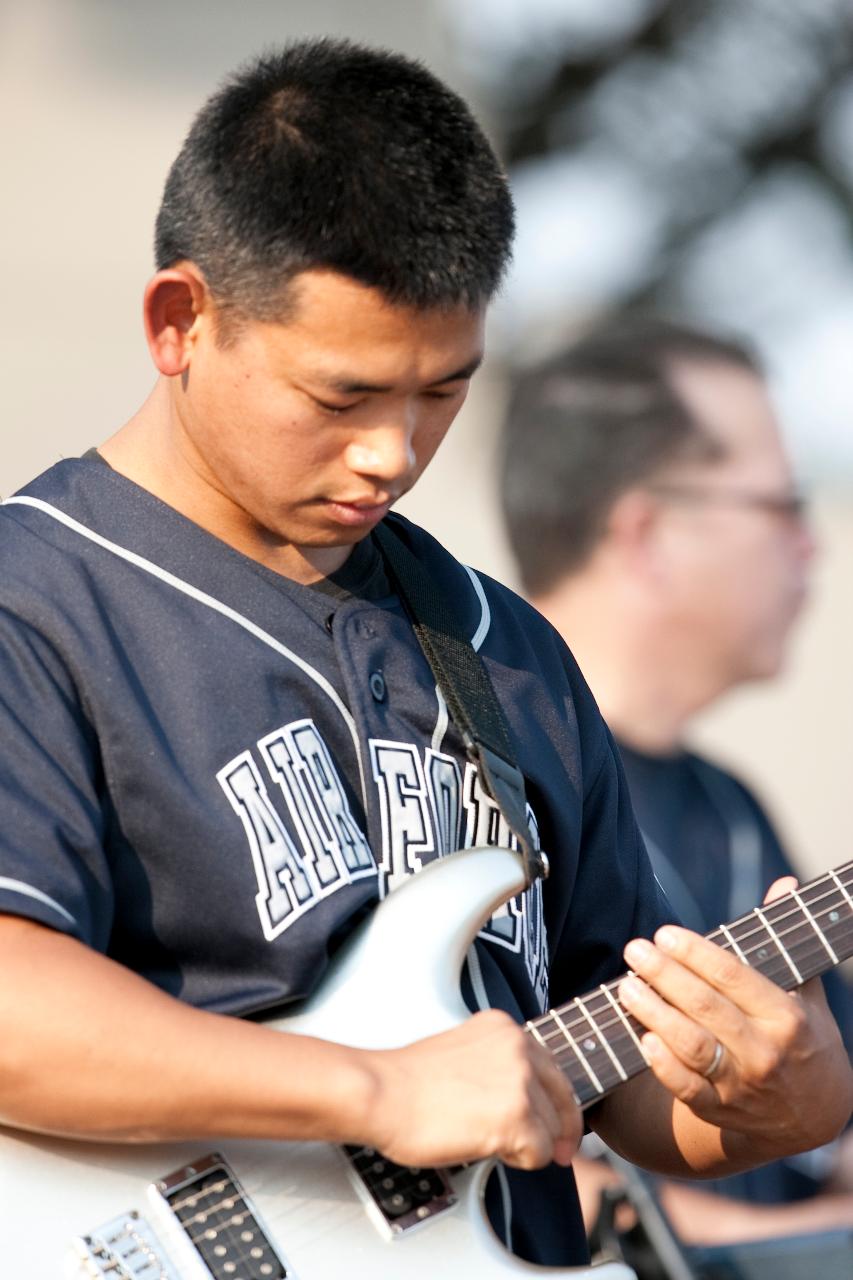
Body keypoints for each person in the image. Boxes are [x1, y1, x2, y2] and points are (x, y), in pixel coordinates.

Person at [0, 42, 849, 1275]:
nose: (392, 454)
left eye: (442, 392)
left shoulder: (503, 652)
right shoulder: (39, 597)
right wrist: (370, 1090)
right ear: (179, 320)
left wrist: (786, 1093)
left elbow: (607, 1087)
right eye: (340, 396)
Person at [501, 317, 853, 1250]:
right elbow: (509, 1187)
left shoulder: (730, 809)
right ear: (648, 533)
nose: (811, 547)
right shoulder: (476, 776)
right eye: (782, 504)